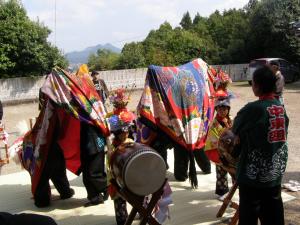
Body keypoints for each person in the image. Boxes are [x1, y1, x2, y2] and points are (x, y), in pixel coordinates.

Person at [232, 65, 289, 225]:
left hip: (253, 176)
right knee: (273, 212)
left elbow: (235, 130)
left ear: (256, 85)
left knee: (249, 214)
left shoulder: (253, 109)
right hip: (274, 173)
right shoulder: (280, 108)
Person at [34, 107, 75, 208]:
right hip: (52, 141)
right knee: (56, 169)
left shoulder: (49, 102)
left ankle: (42, 199)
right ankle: (64, 192)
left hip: (47, 143)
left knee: (45, 170)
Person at [107, 111, 136, 225]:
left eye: (127, 131)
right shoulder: (113, 145)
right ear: (117, 133)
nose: (125, 134)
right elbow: (109, 161)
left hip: (130, 174)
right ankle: (122, 219)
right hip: (117, 174)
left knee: (136, 197)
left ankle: (140, 211)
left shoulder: (131, 142)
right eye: (122, 132)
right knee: (119, 200)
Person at [204, 96, 233, 199]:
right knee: (221, 171)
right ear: (216, 110)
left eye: (224, 109)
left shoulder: (230, 120)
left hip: (231, 150)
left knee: (234, 170)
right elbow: (213, 138)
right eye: (219, 109)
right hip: (219, 151)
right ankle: (222, 191)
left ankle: (235, 187)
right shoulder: (214, 123)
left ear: (228, 109)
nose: (222, 111)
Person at [80, 122, 108, 207]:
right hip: (87, 139)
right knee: (87, 175)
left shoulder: (93, 110)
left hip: (95, 142)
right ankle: (94, 198)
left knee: (93, 172)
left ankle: (106, 187)